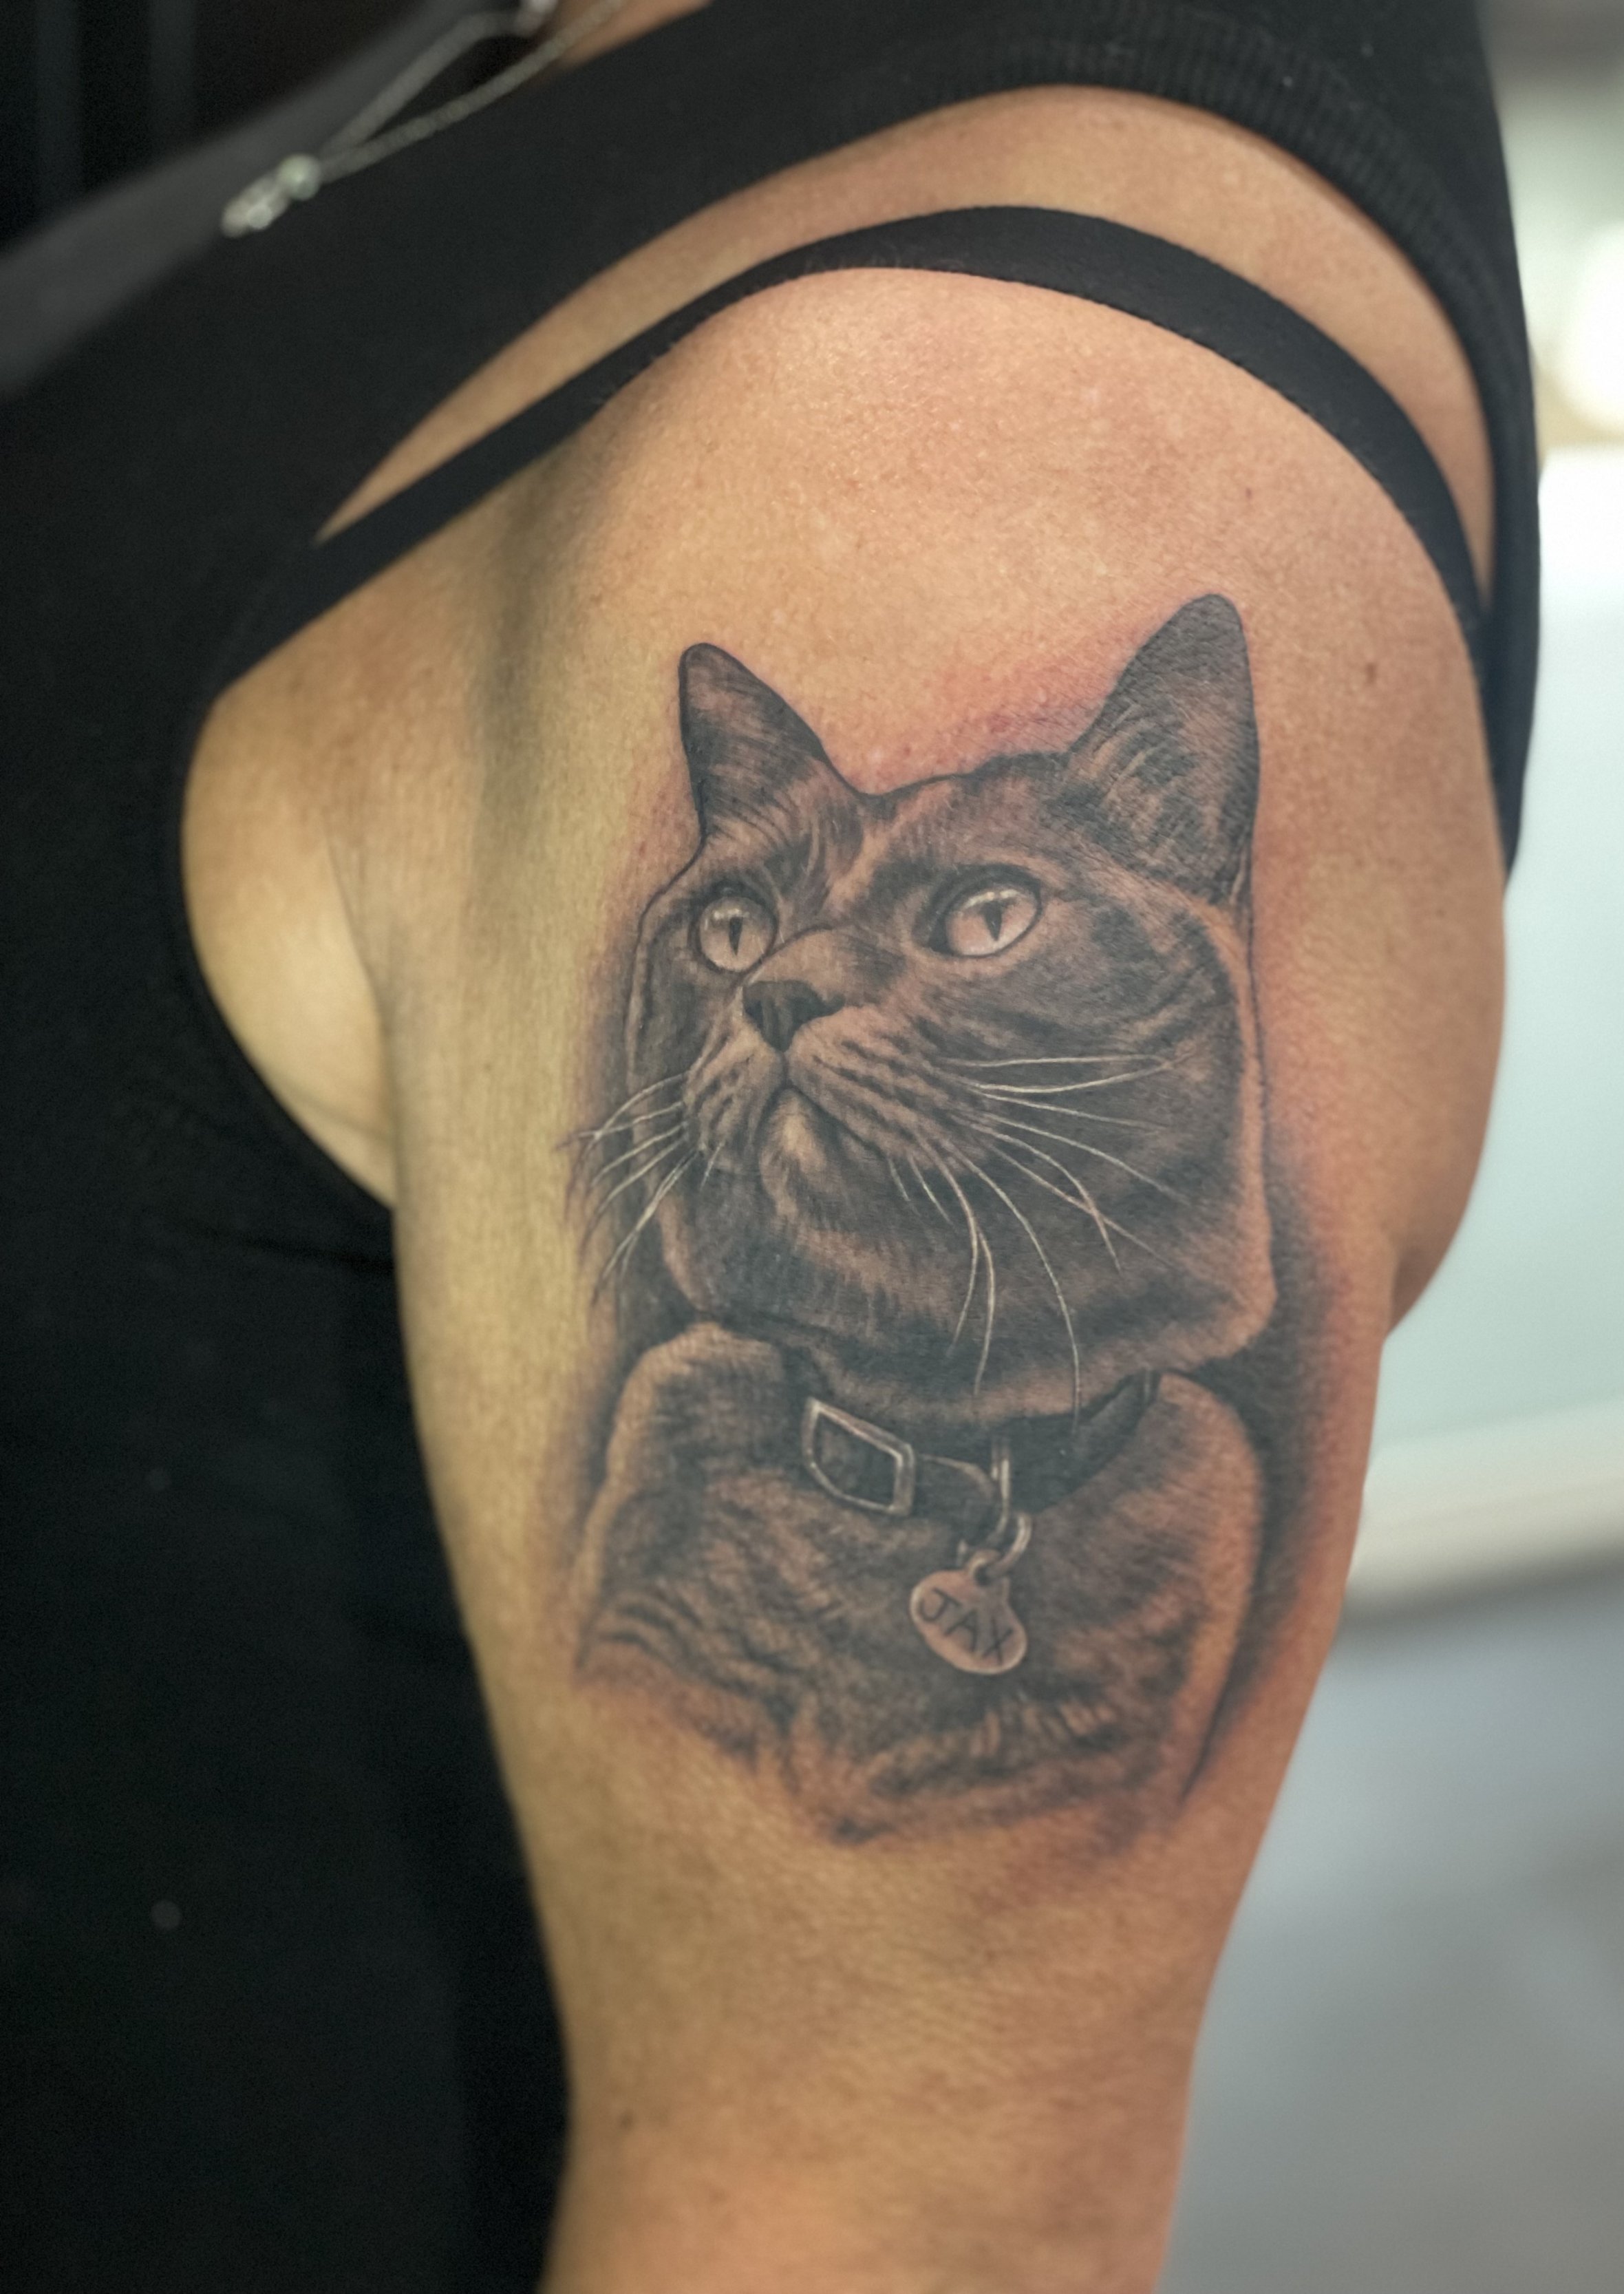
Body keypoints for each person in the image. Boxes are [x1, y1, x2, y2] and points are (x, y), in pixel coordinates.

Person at [0, 2, 1537, 2286]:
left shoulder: (967, 444)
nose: (792, 979)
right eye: (743, 920)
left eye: (975, 913)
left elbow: (882, 2246)